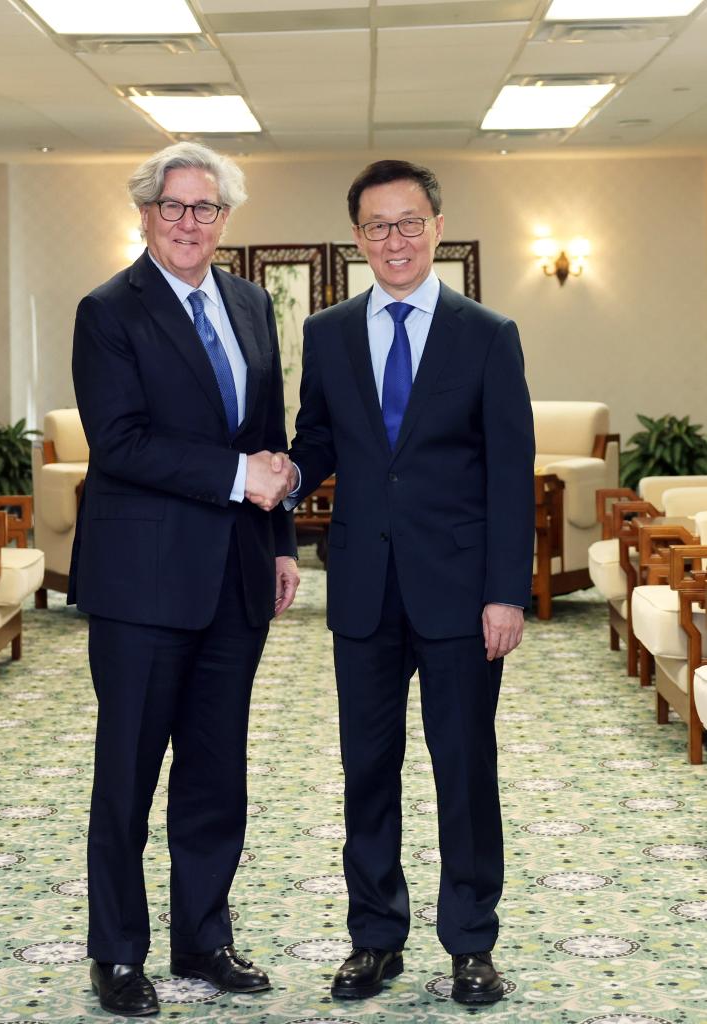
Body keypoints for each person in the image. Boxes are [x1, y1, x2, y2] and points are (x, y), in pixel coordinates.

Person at [285, 159, 534, 1004]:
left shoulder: (486, 333)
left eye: (408, 222)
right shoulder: (327, 333)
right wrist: (282, 478)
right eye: (375, 226)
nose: (393, 240)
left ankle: (470, 942)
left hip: (461, 592)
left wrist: (506, 592)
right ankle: (374, 938)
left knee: (463, 768)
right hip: (362, 586)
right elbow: (317, 439)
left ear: (435, 227)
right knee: (367, 769)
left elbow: (509, 472)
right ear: (357, 238)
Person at [69, 141, 299, 1017]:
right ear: (145, 214)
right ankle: (117, 955)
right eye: (173, 206)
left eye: (205, 208)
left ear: (224, 219)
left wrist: (279, 541)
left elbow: (267, 433)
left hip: (236, 576)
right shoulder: (107, 311)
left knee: (214, 772)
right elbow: (120, 442)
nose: (188, 222)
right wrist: (240, 478)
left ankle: (203, 939)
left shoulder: (249, 303)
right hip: (142, 586)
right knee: (127, 774)